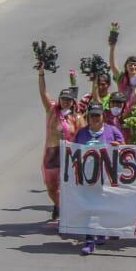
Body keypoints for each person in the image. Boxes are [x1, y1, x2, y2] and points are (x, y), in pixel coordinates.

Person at [73, 102, 125, 255]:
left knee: (103, 205)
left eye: (98, 115)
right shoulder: (81, 133)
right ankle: (89, 240)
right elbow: (73, 153)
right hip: (87, 177)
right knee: (89, 207)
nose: (95, 118)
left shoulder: (112, 131)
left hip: (107, 177)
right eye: (92, 115)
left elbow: (125, 149)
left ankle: (101, 231)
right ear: (87, 117)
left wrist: (118, 146)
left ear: (103, 116)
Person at [38, 70, 81, 222]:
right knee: (51, 186)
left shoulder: (77, 117)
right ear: (59, 99)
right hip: (52, 153)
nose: (66, 101)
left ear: (72, 101)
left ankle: (65, 210)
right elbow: (43, 92)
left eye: (69, 99)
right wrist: (41, 74)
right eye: (63, 99)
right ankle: (59, 205)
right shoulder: (51, 110)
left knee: (68, 186)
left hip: (69, 154)